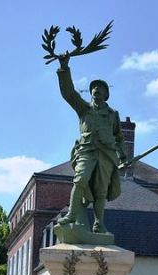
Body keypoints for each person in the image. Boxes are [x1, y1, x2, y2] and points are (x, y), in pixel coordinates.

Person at [56, 54, 127, 233]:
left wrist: (122, 154)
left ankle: (98, 223)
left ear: (106, 94)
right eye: (94, 87)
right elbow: (68, 93)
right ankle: (72, 214)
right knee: (79, 180)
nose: (96, 89)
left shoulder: (113, 114)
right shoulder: (84, 108)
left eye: (100, 87)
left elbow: (118, 136)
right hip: (87, 151)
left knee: (100, 191)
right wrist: (64, 68)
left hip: (106, 154)